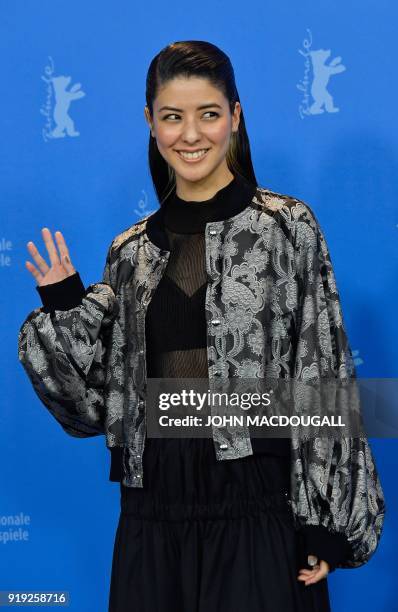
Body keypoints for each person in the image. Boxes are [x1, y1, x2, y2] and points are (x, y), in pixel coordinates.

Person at [18, 41, 385, 612]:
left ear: (234, 117)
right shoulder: (128, 253)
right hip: (151, 512)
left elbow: (322, 369)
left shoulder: (287, 229)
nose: (190, 134)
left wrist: (326, 519)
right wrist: (66, 304)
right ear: (151, 122)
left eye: (208, 114)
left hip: (259, 509)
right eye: (172, 116)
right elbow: (90, 409)